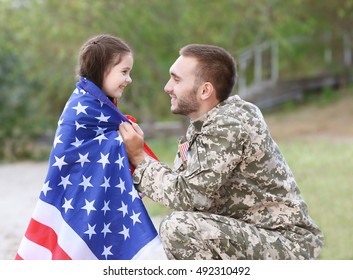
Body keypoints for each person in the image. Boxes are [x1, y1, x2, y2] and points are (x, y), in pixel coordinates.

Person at [118, 43, 324, 260]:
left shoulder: (228, 125)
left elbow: (188, 196)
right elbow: (189, 193)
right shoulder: (205, 123)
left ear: (205, 90)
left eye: (176, 79)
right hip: (257, 237)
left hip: (287, 246)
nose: (167, 87)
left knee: (179, 227)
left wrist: (140, 159)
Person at [16, 34, 166, 260]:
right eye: (124, 72)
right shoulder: (83, 108)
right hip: (75, 198)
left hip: (97, 199)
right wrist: (125, 142)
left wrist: (129, 140)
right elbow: (72, 154)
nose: (129, 79)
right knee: (77, 244)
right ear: (101, 69)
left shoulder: (99, 105)